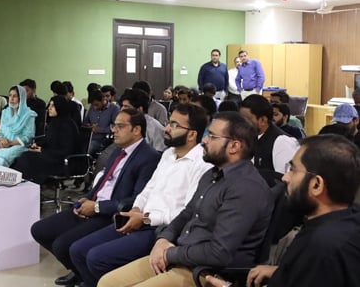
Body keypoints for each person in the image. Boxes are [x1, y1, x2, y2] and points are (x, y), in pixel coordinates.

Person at [98, 111, 273, 287]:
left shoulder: (246, 188)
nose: (204, 140)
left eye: (211, 136)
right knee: (106, 283)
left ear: (234, 146)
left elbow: (218, 252)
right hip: (180, 255)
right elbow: (187, 213)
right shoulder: (212, 174)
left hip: (206, 271)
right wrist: (163, 240)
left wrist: (170, 253)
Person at [70, 104, 212, 287]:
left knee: (96, 258)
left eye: (175, 125)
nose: (167, 128)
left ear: (192, 134)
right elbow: (149, 189)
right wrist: (136, 208)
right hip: (139, 217)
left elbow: (186, 213)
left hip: (161, 229)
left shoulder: (201, 164)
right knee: (78, 250)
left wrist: (145, 219)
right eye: (169, 122)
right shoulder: (168, 154)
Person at [205, 134, 360, 287]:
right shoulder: (349, 221)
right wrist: (282, 271)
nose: (285, 177)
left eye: (293, 169)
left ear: (316, 185)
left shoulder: (321, 246)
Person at [32, 108, 160, 287]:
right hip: (93, 204)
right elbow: (103, 182)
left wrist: (98, 207)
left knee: (63, 245)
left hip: (109, 213)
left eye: (120, 126)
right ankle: (80, 272)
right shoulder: (117, 151)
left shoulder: (149, 157)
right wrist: (87, 198)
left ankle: (90, 279)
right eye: (114, 125)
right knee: (39, 230)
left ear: (136, 129)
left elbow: (136, 199)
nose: (113, 130)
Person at [12, 96, 79, 184]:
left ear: (60, 107)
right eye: (49, 105)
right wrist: (38, 145)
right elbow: (49, 141)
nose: (49, 108)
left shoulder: (68, 125)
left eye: (53, 106)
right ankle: (22, 186)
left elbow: (66, 151)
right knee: (21, 155)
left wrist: (42, 150)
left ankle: (27, 188)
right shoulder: (55, 122)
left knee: (27, 158)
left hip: (61, 162)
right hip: (50, 156)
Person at [240, 94, 299, 184]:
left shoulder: (282, 142)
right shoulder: (249, 138)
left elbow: (285, 182)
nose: (242, 124)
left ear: (263, 120)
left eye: (247, 119)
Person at [0, 85, 37, 167]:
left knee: (1, 160)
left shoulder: (29, 115)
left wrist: (11, 143)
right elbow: (0, 132)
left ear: (21, 98)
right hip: (4, 144)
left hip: (19, 145)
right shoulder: (5, 112)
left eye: (15, 96)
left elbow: (28, 137)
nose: (11, 99)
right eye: (10, 95)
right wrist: (2, 140)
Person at [83, 90, 121, 155]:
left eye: (97, 105)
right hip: (89, 138)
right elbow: (85, 122)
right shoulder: (92, 108)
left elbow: (116, 127)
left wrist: (100, 129)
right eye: (93, 105)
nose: (95, 107)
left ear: (104, 100)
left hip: (103, 140)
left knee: (87, 149)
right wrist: (89, 126)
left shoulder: (114, 109)